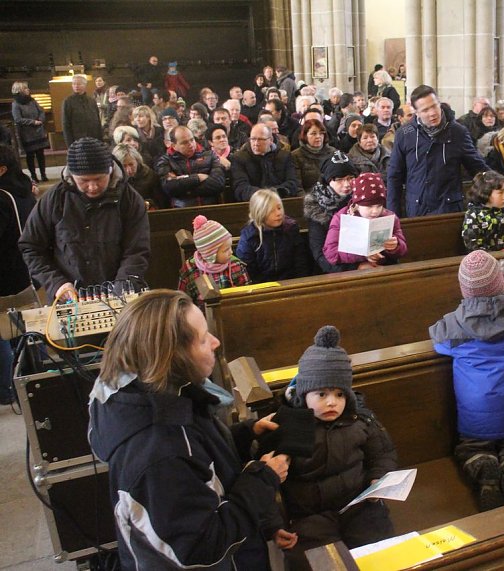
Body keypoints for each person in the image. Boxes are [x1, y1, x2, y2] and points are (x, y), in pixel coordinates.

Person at [88, 289, 292, 569]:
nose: (216, 342)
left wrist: (245, 435)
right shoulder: (159, 452)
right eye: (204, 338)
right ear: (174, 356)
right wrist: (263, 480)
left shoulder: (161, 393)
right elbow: (203, 546)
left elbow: (194, 466)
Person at [429, 250, 504, 511]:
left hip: (477, 411)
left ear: (465, 288)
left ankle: (483, 468)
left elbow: (438, 341)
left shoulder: (454, 325)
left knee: (471, 447)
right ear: (500, 282)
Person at [280, 326, 398, 568]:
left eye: (339, 394)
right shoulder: (292, 426)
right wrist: (274, 524)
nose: (331, 402)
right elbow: (271, 481)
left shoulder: (360, 420)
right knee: (320, 563)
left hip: (358, 505)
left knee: (381, 557)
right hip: (310, 516)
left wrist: (377, 478)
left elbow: (382, 453)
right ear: (304, 395)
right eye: (321, 394)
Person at [19, 137, 150, 301]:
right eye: (84, 181)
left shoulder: (129, 199)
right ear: (72, 176)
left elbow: (137, 249)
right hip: (70, 295)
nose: (92, 187)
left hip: (121, 292)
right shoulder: (54, 199)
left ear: (110, 171)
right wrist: (56, 283)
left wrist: (123, 286)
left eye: (99, 179)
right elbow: (31, 247)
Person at [388, 85, 488, 217]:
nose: (433, 113)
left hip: (449, 208)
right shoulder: (405, 134)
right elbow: (394, 176)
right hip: (417, 209)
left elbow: (477, 167)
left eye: (435, 106)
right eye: (425, 110)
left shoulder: (458, 132)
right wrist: (393, 215)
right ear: (416, 113)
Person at [0, 144, 37, 406]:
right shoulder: (23, 186)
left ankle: (6, 390)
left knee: (2, 332)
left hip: (5, 271)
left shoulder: (2, 196)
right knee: (27, 327)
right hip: (24, 270)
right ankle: (35, 376)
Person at [323, 172, 407, 269]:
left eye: (379, 206)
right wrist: (362, 254)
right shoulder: (341, 218)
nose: (375, 211)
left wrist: (395, 246)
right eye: (369, 206)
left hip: (386, 268)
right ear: (357, 204)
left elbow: (403, 250)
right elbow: (331, 253)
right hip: (352, 270)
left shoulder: (389, 217)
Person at [236, 188, 309, 282]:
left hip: (291, 282)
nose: (278, 213)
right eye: (271, 211)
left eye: (279, 208)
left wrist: (300, 282)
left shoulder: (290, 229)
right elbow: (248, 268)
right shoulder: (250, 236)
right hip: (262, 286)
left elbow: (300, 262)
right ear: (260, 213)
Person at [178, 216, 249, 305]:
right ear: (210, 254)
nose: (231, 252)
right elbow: (183, 302)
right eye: (225, 250)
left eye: (230, 247)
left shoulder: (236, 265)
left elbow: (247, 295)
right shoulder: (189, 270)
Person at [155, 126, 226, 207]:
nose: (191, 144)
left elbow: (218, 183)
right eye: (184, 142)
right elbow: (169, 187)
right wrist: (197, 178)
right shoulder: (165, 161)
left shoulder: (209, 155)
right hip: (182, 210)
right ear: (174, 145)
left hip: (211, 207)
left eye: (192, 140)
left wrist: (184, 188)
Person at [462, 170, 504, 252]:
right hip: (486, 260)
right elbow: (472, 244)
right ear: (486, 193)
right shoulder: (473, 215)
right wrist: (495, 255)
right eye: (500, 193)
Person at [232, 123, 301, 201]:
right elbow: (241, 187)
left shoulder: (284, 157)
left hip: (280, 200)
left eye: (261, 139)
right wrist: (264, 195)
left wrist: (274, 193)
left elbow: (292, 183)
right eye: (253, 139)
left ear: (271, 140)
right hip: (253, 203)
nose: (256, 143)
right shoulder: (239, 158)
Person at [11, 81, 50, 182]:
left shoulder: (32, 100)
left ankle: (43, 174)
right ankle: (33, 176)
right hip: (27, 133)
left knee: (41, 154)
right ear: (19, 91)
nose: (28, 90)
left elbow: (41, 110)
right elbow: (17, 119)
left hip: (38, 132)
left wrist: (41, 119)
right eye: (25, 89)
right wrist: (33, 122)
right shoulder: (16, 104)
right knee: (30, 156)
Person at [112, 143, 165, 210]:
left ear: (137, 161)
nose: (129, 170)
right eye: (124, 166)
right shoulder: (112, 179)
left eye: (131, 164)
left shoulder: (150, 176)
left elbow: (161, 202)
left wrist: (148, 203)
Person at [291, 119, 337, 194]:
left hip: (331, 195)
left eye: (321, 133)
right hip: (308, 196)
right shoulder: (296, 156)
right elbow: (298, 186)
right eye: (313, 133)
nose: (318, 137)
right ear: (305, 135)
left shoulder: (333, 152)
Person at [62, 75, 102, 146]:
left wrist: (100, 140)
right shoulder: (68, 101)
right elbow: (66, 124)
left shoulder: (91, 101)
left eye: (79, 84)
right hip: (77, 140)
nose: (76, 86)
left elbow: (97, 121)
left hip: (93, 138)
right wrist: (70, 144)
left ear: (85, 85)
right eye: (74, 84)